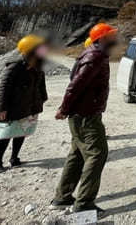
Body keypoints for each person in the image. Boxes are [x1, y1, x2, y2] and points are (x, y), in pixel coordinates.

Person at [50, 23, 117, 216]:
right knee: (97, 154)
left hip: (82, 114)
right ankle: (84, 204)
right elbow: (75, 85)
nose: (115, 39)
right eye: (111, 35)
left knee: (78, 153)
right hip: (86, 116)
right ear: (103, 38)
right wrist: (64, 108)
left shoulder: (94, 54)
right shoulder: (95, 57)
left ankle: (62, 198)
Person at [0, 35, 48, 173]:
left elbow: (41, 86)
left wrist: (42, 99)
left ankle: (14, 158)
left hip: (29, 107)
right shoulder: (15, 67)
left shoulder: (38, 67)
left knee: (22, 132)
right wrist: (1, 108)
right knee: (6, 134)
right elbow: (3, 88)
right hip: (13, 107)